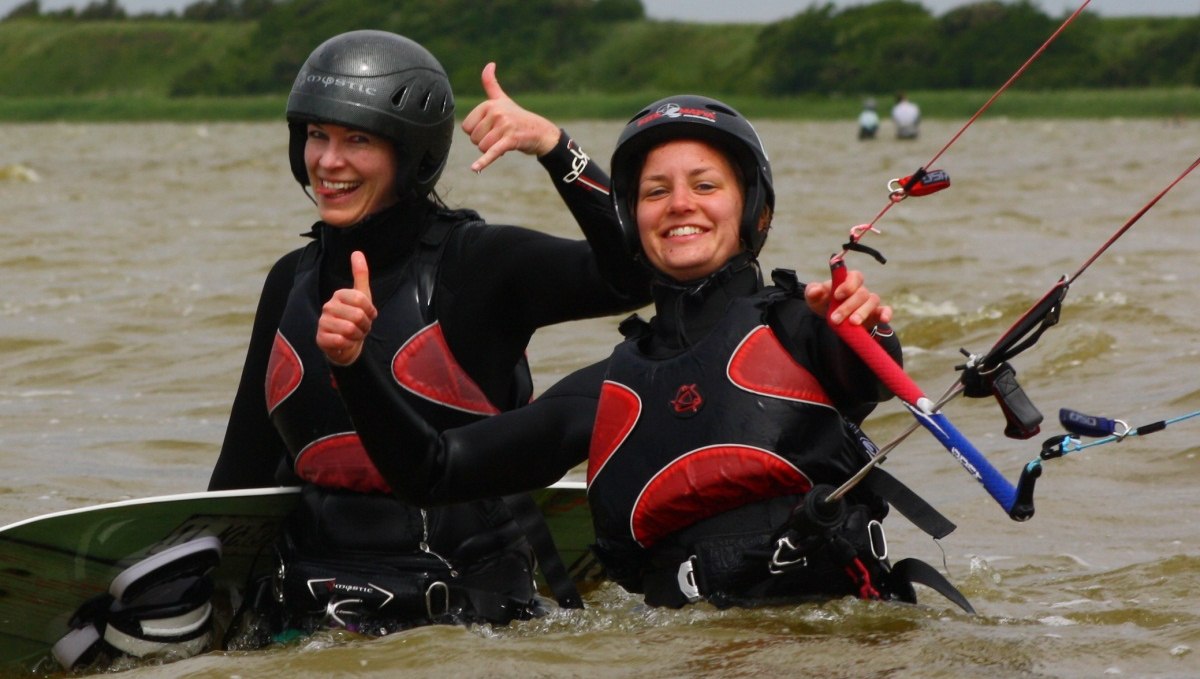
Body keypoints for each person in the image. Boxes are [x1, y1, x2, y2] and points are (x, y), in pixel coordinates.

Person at [318, 95, 973, 612]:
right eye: (655, 191)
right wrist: (353, 367)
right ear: (631, 220)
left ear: (757, 214)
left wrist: (868, 328)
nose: (679, 204)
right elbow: (434, 472)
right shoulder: (611, 390)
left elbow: (866, 373)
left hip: (836, 642)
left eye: (705, 186)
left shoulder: (806, 327)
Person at [208, 29, 649, 637]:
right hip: (309, 606)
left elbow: (635, 276)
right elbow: (241, 474)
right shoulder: (290, 281)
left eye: (357, 140)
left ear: (411, 156)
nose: (328, 162)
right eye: (317, 135)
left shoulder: (477, 265)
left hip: (466, 618)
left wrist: (554, 147)